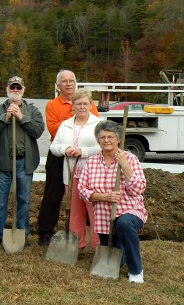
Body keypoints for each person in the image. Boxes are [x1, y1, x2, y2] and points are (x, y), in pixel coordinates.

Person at [78, 120, 148, 283]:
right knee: (117, 260)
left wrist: (124, 165)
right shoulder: (92, 162)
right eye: (102, 137)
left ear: (118, 139)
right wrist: (104, 197)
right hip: (105, 218)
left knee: (124, 224)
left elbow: (138, 189)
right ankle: (123, 252)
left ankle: (136, 271)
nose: (106, 140)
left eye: (110, 136)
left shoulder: (129, 158)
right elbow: (82, 189)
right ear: (98, 140)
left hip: (130, 212)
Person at [37, 70, 99, 246]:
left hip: (85, 156)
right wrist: (71, 120)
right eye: (64, 81)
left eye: (71, 80)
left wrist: (81, 147)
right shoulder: (52, 105)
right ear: (58, 85)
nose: (68, 83)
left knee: (89, 200)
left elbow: (94, 126)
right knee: (53, 195)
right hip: (61, 156)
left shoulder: (88, 103)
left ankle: (94, 239)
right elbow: (54, 129)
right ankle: (45, 233)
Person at [0, 76, 45, 246]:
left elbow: (38, 131)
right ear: (7, 89)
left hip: (24, 162)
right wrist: (4, 119)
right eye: (12, 88)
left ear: (23, 90)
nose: (15, 91)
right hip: (3, 162)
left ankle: (22, 234)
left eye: (18, 88)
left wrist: (21, 117)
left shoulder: (32, 111)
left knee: (23, 199)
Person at [49, 89, 101, 249]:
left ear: (91, 105)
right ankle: (77, 245)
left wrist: (83, 152)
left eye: (85, 103)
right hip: (71, 175)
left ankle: (98, 245)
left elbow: (105, 146)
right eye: (78, 104)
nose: (82, 107)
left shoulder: (99, 123)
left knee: (95, 213)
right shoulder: (66, 124)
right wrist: (65, 149)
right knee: (74, 212)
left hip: (93, 176)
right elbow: (53, 146)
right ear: (73, 106)